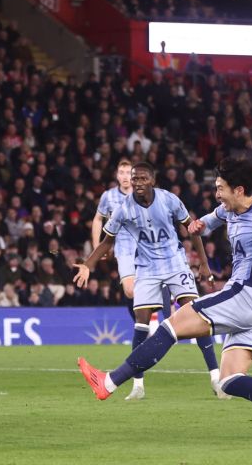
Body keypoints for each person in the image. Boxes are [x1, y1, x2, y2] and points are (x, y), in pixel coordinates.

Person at [77, 157, 252, 435]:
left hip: (246, 295)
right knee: (230, 379)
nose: (217, 194)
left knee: (171, 326)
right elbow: (208, 221)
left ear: (238, 189)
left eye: (220, 188)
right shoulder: (229, 210)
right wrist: (198, 225)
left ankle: (108, 383)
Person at [78, 162, 221, 400]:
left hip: (175, 264)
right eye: (135, 179)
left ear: (153, 181)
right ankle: (138, 385)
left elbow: (192, 230)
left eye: (143, 179)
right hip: (147, 268)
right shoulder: (124, 209)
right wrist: (87, 265)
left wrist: (204, 265)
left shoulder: (170, 200)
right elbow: (106, 241)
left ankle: (216, 377)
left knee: (195, 316)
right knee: (141, 323)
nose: (137, 183)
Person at [92, 160, 137, 316]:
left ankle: (147, 328)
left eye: (128, 173)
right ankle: (142, 327)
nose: (125, 176)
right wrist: (98, 246)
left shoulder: (143, 193)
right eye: (121, 173)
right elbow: (98, 219)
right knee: (130, 292)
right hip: (123, 249)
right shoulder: (108, 196)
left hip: (146, 248)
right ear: (117, 176)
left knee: (150, 289)